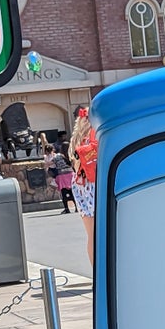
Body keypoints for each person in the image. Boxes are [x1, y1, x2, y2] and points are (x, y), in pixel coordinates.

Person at [69, 107, 96, 265]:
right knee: (104, 231)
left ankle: (96, 271)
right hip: (93, 183)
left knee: (91, 235)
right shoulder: (95, 136)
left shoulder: (75, 139)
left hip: (79, 183)